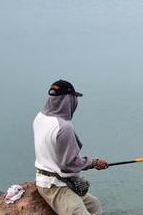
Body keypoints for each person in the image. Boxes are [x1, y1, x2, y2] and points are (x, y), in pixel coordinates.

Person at [33, 80, 109, 215]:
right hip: (54, 186)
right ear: (68, 100)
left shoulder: (40, 117)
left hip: (52, 180)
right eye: (74, 98)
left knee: (94, 205)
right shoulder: (63, 127)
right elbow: (68, 164)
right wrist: (94, 162)